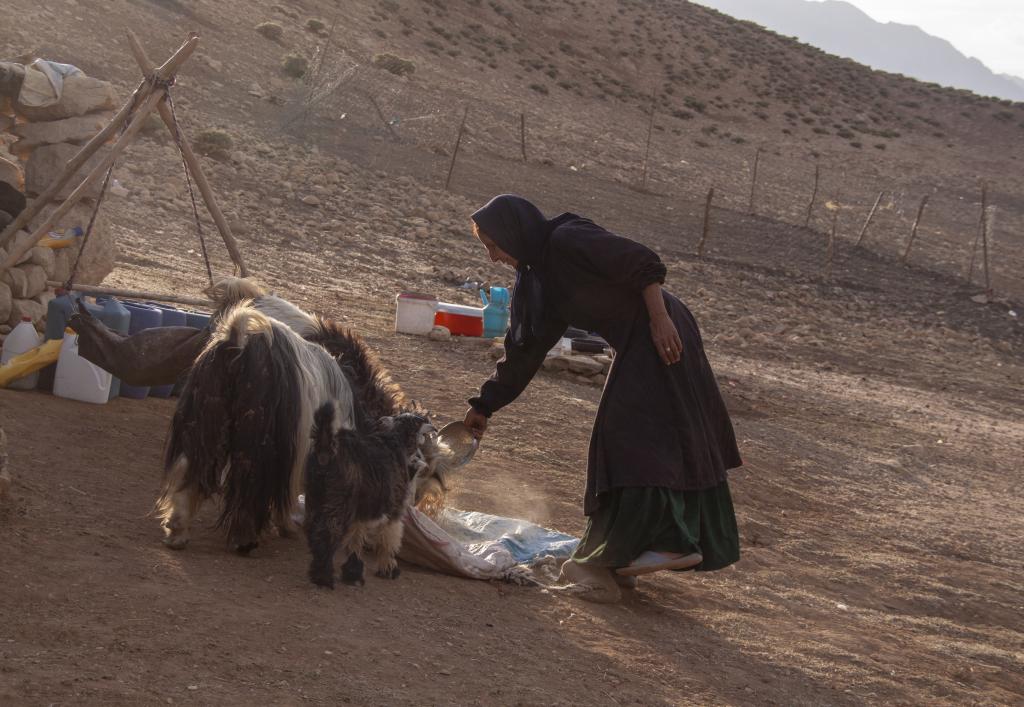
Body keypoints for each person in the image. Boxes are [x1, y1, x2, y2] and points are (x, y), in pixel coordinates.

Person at [462, 194, 743, 602]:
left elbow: (643, 263)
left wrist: (659, 320)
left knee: (623, 434)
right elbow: (524, 353)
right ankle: (618, 557)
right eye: (486, 248)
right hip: (638, 340)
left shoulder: (566, 239)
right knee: (636, 435)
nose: (493, 257)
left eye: (493, 244)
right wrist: (484, 405)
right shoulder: (538, 279)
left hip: (659, 329)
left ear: (513, 231)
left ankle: (663, 542)